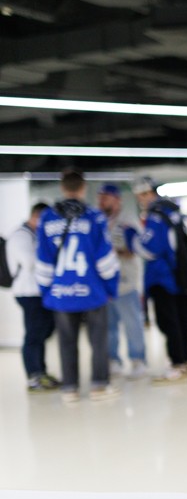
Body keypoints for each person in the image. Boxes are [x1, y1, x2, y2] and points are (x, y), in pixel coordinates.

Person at [35, 170, 120, 404]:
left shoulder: (47, 218)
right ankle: (99, 385)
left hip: (61, 292)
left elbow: (42, 260)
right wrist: (111, 288)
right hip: (92, 291)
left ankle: (70, 388)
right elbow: (106, 259)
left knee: (66, 341)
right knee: (98, 341)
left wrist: (46, 290)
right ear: (83, 188)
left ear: (63, 188)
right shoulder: (94, 217)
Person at [127, 177, 187, 384]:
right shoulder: (173, 212)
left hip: (162, 278)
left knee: (169, 321)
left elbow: (150, 248)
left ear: (150, 193)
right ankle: (185, 362)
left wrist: (131, 237)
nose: (140, 200)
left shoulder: (156, 216)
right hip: (180, 276)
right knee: (181, 320)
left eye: (142, 195)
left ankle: (177, 365)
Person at [7, 201, 60, 392]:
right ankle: (34, 376)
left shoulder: (35, 234)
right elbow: (30, 262)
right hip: (28, 293)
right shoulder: (20, 236)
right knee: (34, 335)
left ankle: (41, 372)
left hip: (39, 293)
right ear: (36, 216)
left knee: (42, 333)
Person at [97, 183, 149, 378]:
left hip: (125, 282)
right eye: (100, 197)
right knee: (108, 326)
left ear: (117, 200)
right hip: (104, 284)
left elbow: (137, 248)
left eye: (105, 198)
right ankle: (113, 360)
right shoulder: (98, 221)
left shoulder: (128, 221)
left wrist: (115, 252)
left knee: (132, 323)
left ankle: (138, 359)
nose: (101, 201)